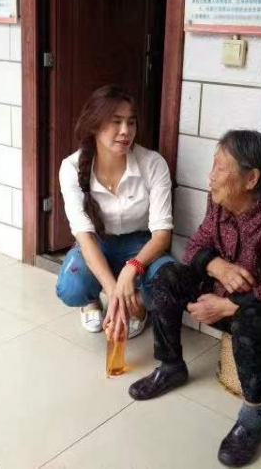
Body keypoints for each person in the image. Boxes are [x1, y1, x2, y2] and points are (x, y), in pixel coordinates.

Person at [129, 130, 261, 467]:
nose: (211, 176)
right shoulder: (221, 200)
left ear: (251, 178)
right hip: (226, 293)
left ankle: (252, 419)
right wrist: (217, 266)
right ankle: (171, 365)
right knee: (167, 278)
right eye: (213, 165)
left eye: (221, 167)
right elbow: (194, 248)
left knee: (251, 319)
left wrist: (230, 306)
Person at [55, 85, 174, 340]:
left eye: (131, 122)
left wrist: (132, 268)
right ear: (95, 124)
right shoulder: (71, 167)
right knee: (71, 288)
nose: (125, 131)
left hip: (141, 244)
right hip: (98, 242)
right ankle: (91, 301)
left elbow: (162, 234)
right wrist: (113, 292)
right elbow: (84, 237)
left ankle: (138, 305)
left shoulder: (153, 164)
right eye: (116, 121)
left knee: (171, 282)